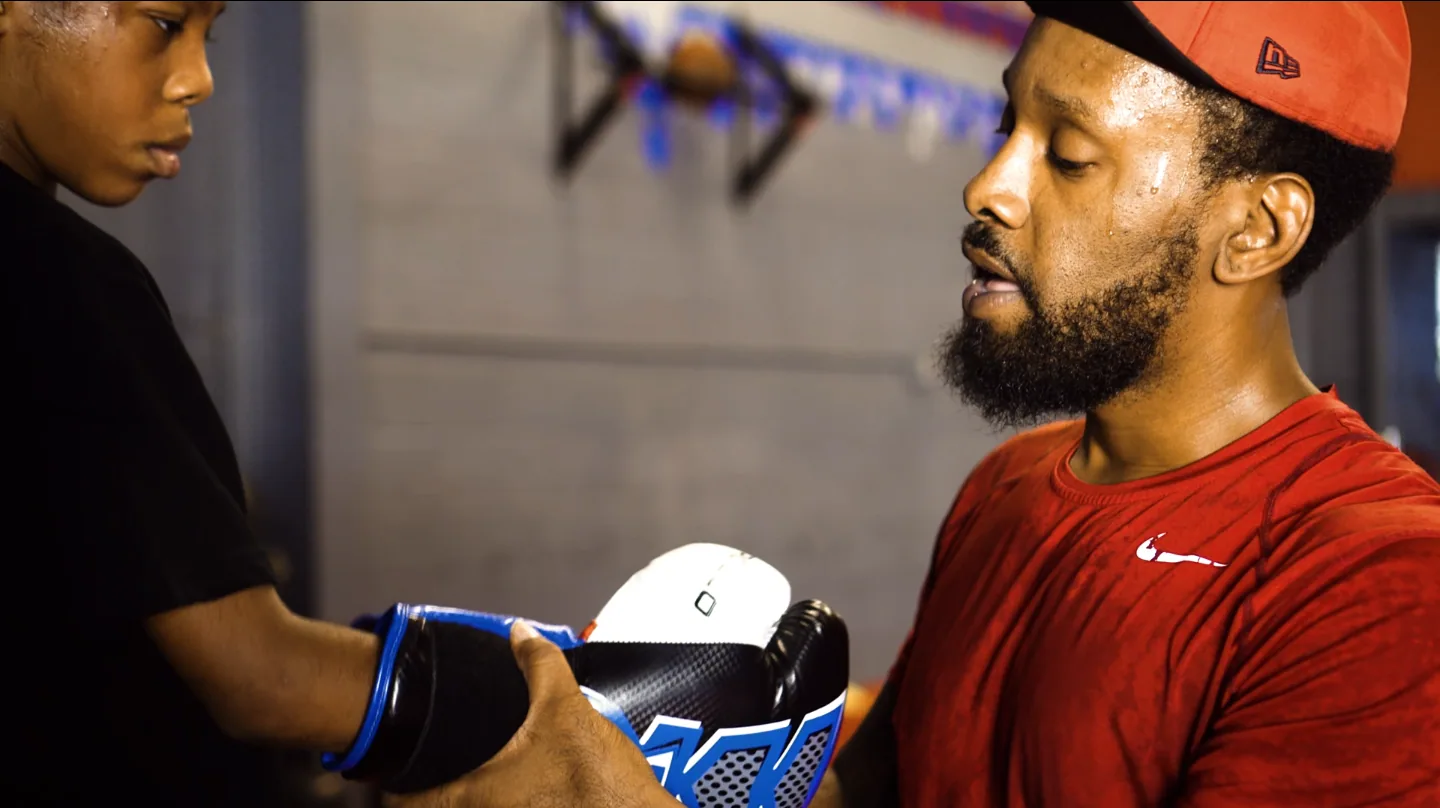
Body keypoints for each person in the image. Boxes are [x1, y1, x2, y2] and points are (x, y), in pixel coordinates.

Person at [405, 1, 1440, 806]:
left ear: (1259, 228)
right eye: (1006, 120)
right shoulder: (1009, 486)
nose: (987, 184)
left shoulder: (1377, 579)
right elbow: (877, 789)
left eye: (1068, 154)